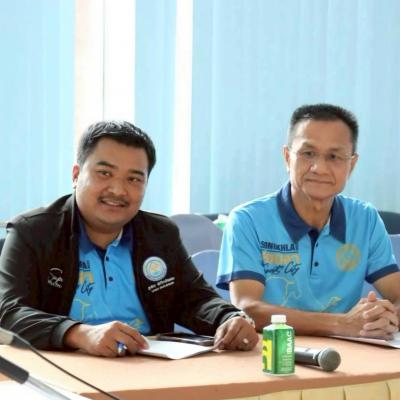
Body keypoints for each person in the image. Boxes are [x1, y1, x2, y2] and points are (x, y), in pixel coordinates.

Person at [0, 121, 258, 357]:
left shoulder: (160, 234)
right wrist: (78, 333)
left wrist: (229, 318)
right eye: (104, 173)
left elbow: (194, 299)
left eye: (134, 179)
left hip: (148, 369)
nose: (118, 190)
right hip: (66, 368)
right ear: (76, 175)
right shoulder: (32, 232)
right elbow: (8, 312)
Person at [217, 104, 400, 339]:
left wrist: (385, 318)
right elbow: (247, 308)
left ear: (351, 165)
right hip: (272, 352)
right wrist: (341, 324)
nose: (319, 168)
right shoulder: (247, 220)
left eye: (333, 156)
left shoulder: (366, 219)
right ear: (287, 157)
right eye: (308, 153)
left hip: (348, 353)